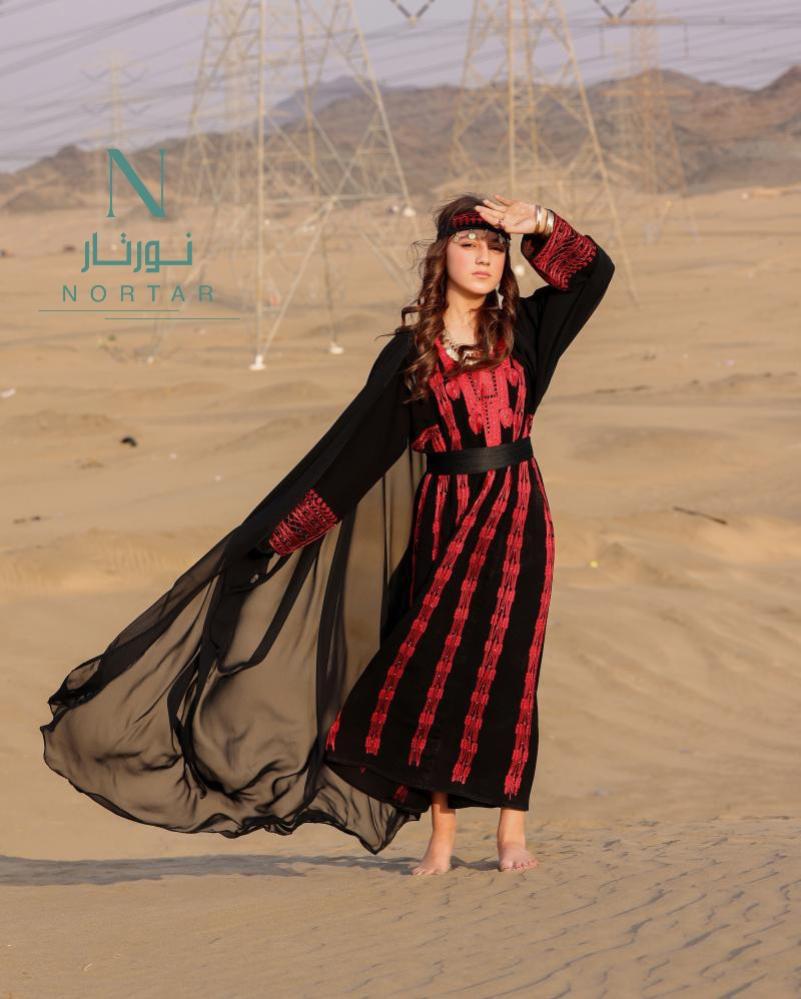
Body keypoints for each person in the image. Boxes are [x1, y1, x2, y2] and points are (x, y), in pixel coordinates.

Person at [40, 192, 614, 876]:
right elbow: (355, 457)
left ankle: (511, 832)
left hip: (518, 516)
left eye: (495, 247)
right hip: (446, 516)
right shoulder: (411, 354)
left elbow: (593, 274)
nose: (485, 258)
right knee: (437, 668)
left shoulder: (524, 329)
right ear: (441, 257)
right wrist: (276, 536)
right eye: (469, 245)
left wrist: (541, 224)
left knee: (510, 665)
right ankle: (441, 835)